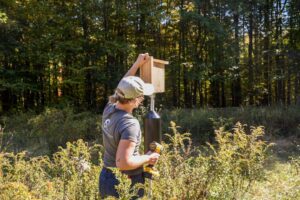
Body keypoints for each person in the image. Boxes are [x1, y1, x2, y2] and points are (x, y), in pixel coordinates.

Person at [99, 53, 160, 199]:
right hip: (124, 181)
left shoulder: (110, 108)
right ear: (134, 100)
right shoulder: (130, 124)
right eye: (140, 97)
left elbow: (124, 85)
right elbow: (123, 163)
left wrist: (137, 64)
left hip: (106, 177)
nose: (141, 100)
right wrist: (147, 157)